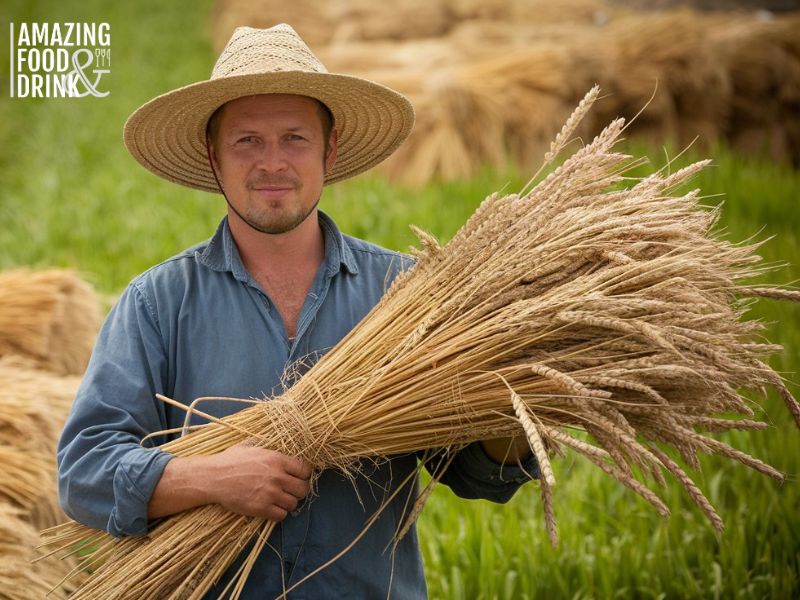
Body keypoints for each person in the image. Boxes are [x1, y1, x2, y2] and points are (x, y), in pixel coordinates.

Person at [57, 24, 537, 598]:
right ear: (213, 157)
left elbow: (475, 473)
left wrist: (513, 402)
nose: (272, 163)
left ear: (329, 151)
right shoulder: (157, 304)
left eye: (294, 138)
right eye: (247, 141)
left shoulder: (405, 295)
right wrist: (210, 478)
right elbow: (84, 473)